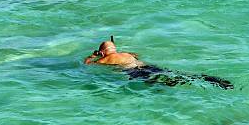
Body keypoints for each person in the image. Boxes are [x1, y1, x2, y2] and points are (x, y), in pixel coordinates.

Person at [84, 36, 234, 89]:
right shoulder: (127, 53)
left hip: (135, 72)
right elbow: (137, 54)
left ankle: (186, 83)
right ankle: (209, 79)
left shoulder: (105, 58)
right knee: (176, 75)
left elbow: (87, 64)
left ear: (103, 52)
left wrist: (93, 55)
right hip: (146, 66)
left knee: (166, 83)